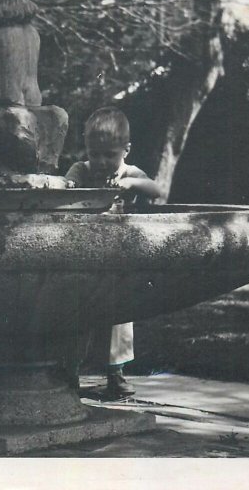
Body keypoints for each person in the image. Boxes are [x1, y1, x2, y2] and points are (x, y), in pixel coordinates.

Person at [64, 107, 164, 399]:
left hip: (116, 253)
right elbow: (66, 185)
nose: (101, 162)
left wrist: (131, 183)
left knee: (118, 316)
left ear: (126, 150)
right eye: (95, 154)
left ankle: (115, 375)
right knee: (72, 312)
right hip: (80, 249)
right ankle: (69, 371)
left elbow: (155, 190)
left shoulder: (129, 173)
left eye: (110, 155)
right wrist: (71, 187)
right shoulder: (81, 170)